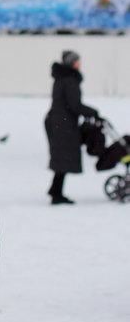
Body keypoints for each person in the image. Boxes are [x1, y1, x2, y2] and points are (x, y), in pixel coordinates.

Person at [44, 50, 98, 205]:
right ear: (71, 63)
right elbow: (74, 105)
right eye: (77, 61)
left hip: (58, 122)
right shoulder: (69, 80)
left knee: (62, 159)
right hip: (63, 125)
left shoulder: (62, 78)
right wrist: (92, 112)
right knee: (63, 158)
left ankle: (56, 190)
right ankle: (56, 193)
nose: (79, 64)